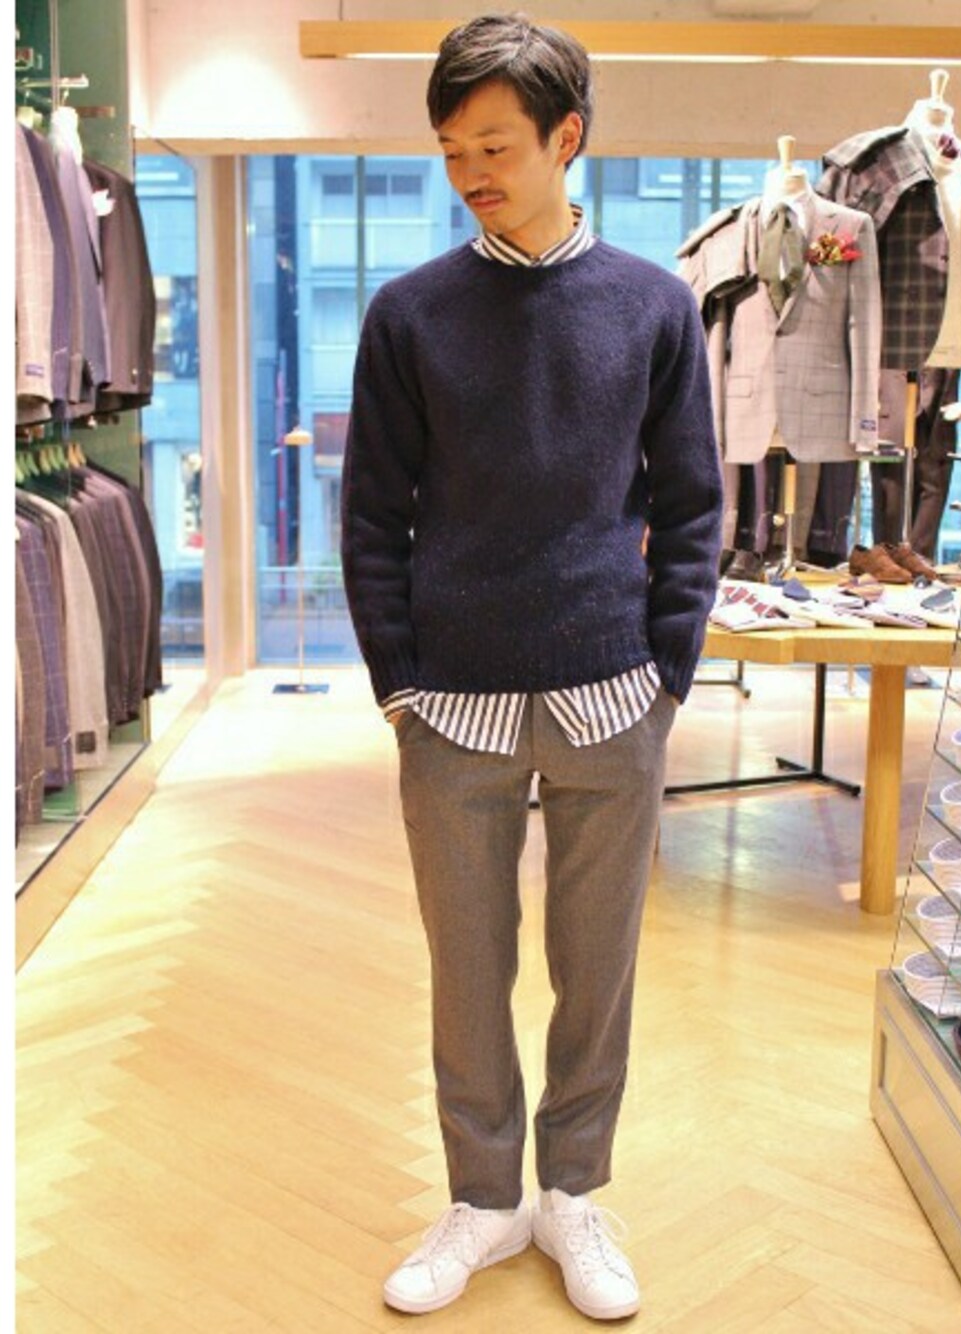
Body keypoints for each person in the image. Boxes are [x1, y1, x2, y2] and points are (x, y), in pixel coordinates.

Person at [341, 12, 722, 1320]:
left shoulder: (655, 305)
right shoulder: (409, 315)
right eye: (452, 150)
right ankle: (482, 1196)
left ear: (568, 137)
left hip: (614, 692)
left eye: (495, 146)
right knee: (467, 969)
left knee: (597, 969)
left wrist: (669, 668)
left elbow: (694, 501)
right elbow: (372, 512)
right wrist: (399, 681)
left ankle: (571, 1191)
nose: (471, 174)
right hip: (453, 705)